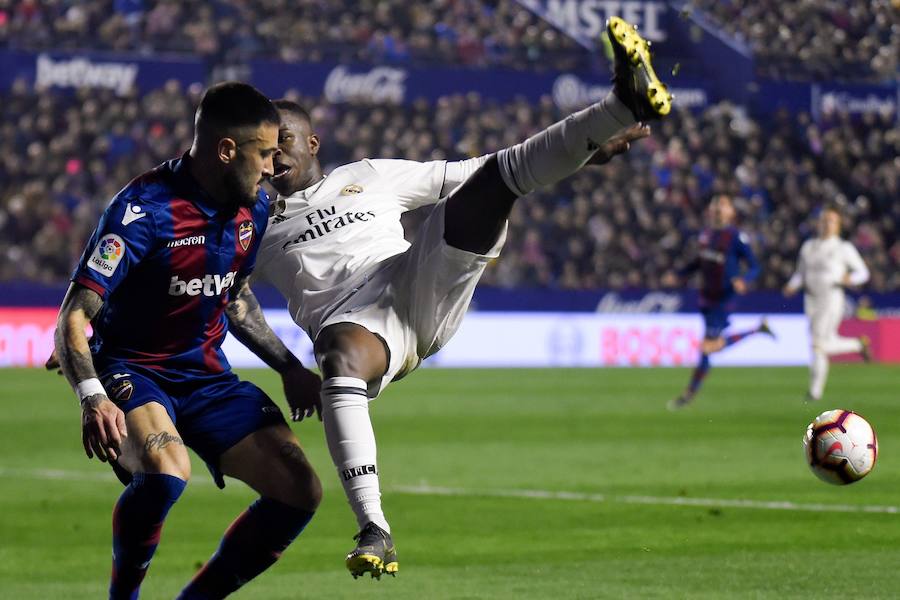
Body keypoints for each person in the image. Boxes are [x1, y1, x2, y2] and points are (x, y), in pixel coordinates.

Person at [254, 17, 669, 579]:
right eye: (262, 149)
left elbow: (476, 170)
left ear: (312, 143)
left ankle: (621, 103)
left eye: (283, 143)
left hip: (412, 279)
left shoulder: (368, 175)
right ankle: (375, 527)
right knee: (337, 357)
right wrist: (282, 365)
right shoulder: (248, 225)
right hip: (353, 325)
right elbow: (227, 298)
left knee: (493, 184)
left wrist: (585, 150)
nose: (273, 158)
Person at [52, 82, 323, 600]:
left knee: (300, 490)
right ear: (226, 151)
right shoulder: (142, 210)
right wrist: (92, 396)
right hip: (134, 370)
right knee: (165, 472)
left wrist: (288, 367)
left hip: (206, 377)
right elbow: (73, 316)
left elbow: (234, 295)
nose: (272, 167)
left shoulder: (254, 210)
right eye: (264, 153)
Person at [668, 194, 773, 410]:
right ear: (709, 209)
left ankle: (689, 394)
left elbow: (755, 266)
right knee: (712, 347)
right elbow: (699, 262)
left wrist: (744, 280)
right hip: (706, 297)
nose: (718, 208)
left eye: (723, 205)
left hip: (724, 299)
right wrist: (679, 274)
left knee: (707, 348)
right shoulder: (706, 234)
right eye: (715, 204)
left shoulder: (735, 237)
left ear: (731, 212)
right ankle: (757, 330)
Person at [783, 204, 871, 401]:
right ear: (818, 223)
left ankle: (815, 391)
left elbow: (863, 273)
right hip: (811, 299)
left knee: (818, 344)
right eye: (824, 220)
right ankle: (857, 345)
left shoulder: (843, 248)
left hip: (831, 297)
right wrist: (791, 285)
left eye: (831, 220)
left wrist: (851, 279)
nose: (827, 224)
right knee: (820, 344)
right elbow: (801, 273)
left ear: (838, 225)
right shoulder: (808, 246)